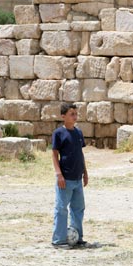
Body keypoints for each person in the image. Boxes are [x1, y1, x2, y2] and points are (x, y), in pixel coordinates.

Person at [51, 102, 88, 249]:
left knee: (78, 208)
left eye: (76, 113)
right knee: (61, 208)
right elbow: (54, 154)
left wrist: (85, 172)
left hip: (77, 178)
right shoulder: (58, 133)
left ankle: (77, 237)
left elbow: (81, 154)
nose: (75, 116)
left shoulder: (78, 133)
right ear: (63, 116)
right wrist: (59, 174)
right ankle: (59, 240)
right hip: (65, 178)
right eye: (71, 114)